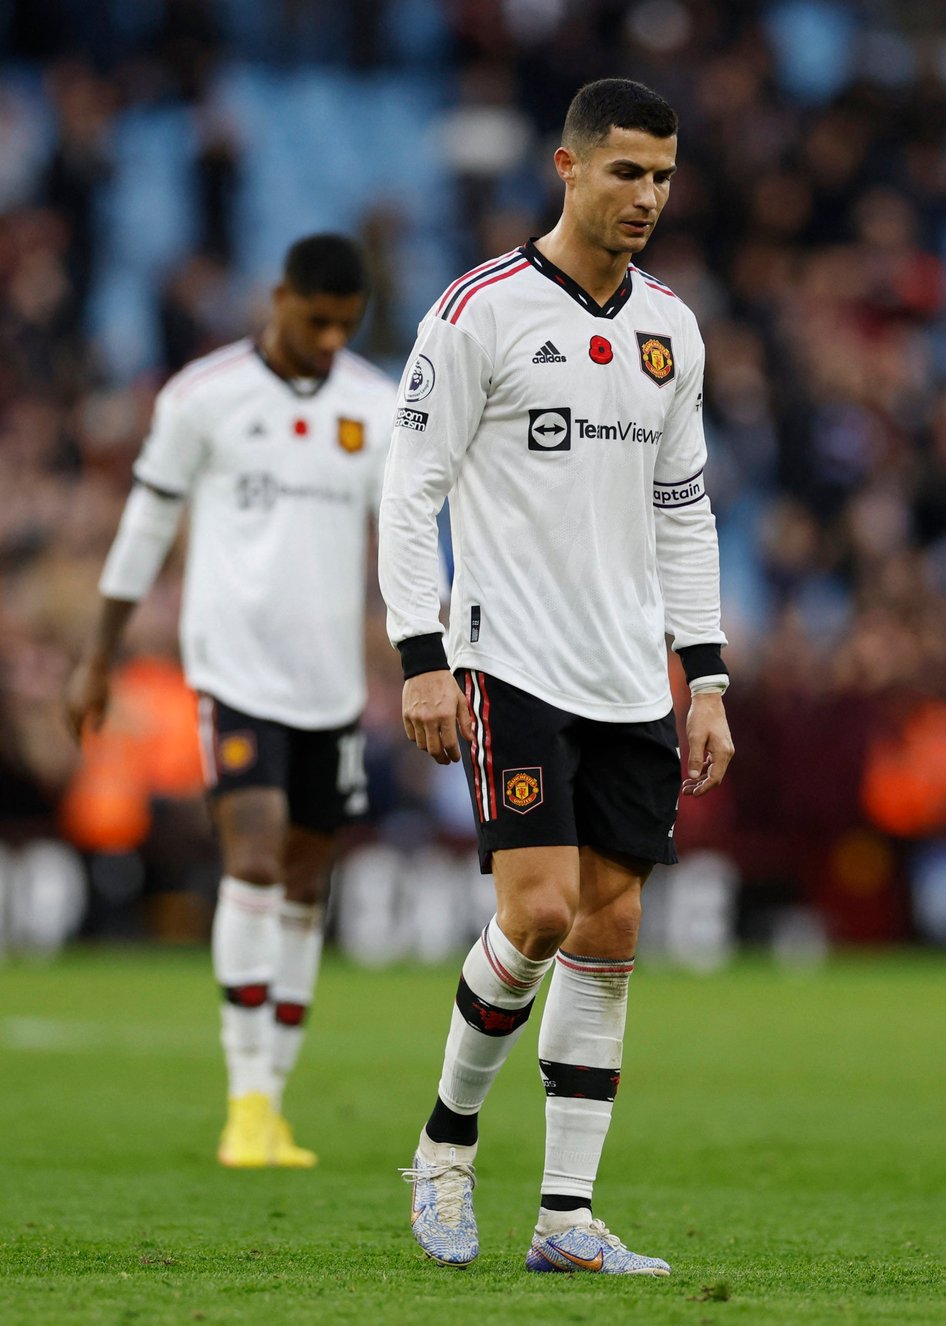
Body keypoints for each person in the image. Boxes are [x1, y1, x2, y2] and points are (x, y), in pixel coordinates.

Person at [377, 79, 734, 1276]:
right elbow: (409, 490)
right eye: (626, 171)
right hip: (508, 658)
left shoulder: (671, 329)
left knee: (611, 929)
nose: (648, 197)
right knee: (536, 912)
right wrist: (421, 656)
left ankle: (567, 1218)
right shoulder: (477, 311)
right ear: (567, 166)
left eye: (664, 176)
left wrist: (706, 678)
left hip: (629, 675)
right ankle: (445, 1144)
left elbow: (682, 511)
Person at [65, 233, 396, 1168]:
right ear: (278, 297)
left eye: (345, 326)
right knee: (252, 859)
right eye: (316, 320)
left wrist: (429, 652)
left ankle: (274, 1098)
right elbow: (147, 523)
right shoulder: (202, 396)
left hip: (330, 683)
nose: (329, 341)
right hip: (235, 673)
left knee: (305, 882)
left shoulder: (376, 406)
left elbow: (408, 537)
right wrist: (99, 654)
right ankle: (245, 1098)